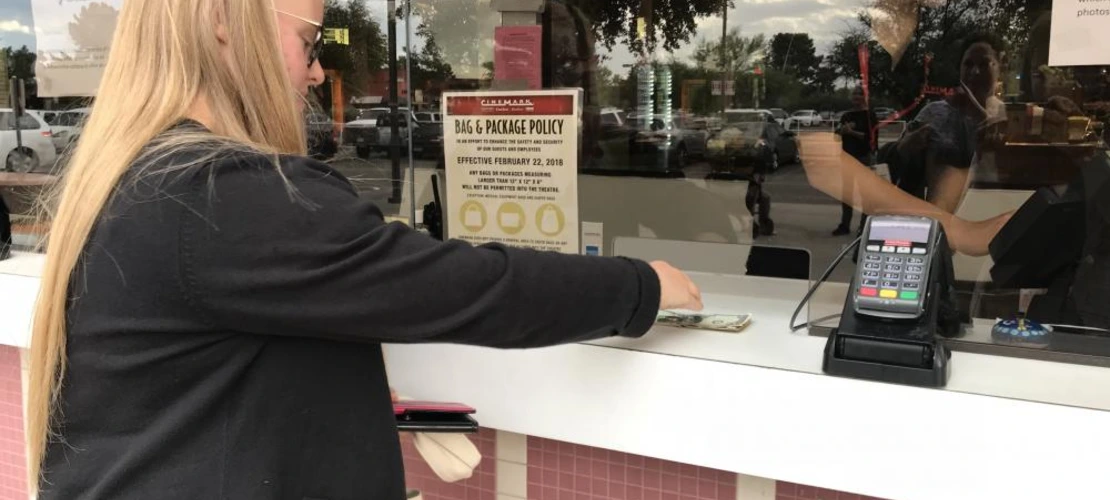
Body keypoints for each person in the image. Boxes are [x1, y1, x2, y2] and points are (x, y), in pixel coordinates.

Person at [26, 1, 703, 499]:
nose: (318, 72)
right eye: (309, 41)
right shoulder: (220, 192)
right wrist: (641, 287)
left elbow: (207, 375)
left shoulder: (140, 177)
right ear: (221, 19)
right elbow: (464, 287)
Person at [801, 33, 1013, 256]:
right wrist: (905, 147)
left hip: (991, 232)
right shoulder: (935, 112)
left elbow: (1006, 171)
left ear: (999, 68)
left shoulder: (1012, 118)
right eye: (968, 64)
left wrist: (977, 114)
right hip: (934, 231)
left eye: (984, 64)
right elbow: (889, 164)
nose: (974, 72)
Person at [833, 87, 877, 236]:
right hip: (846, 158)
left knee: (865, 195)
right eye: (854, 94)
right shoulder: (846, 115)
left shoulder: (870, 115)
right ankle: (844, 225)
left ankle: (864, 227)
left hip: (863, 158)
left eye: (860, 94)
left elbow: (871, 139)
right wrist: (842, 130)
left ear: (865, 97)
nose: (856, 97)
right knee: (847, 194)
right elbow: (836, 135)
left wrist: (851, 132)